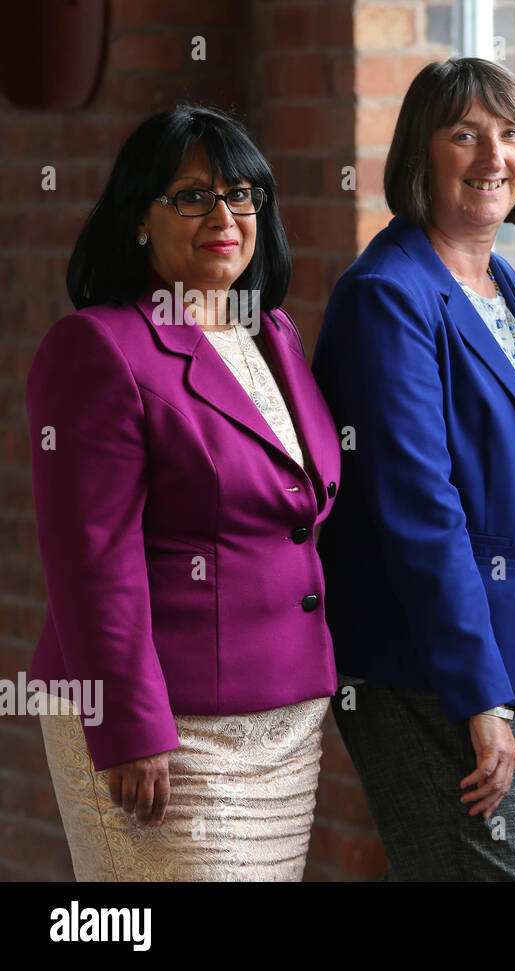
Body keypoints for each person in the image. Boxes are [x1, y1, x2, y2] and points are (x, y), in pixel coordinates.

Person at [26, 105, 342, 881]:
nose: (224, 216)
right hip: (164, 723)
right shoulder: (100, 346)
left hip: (285, 717)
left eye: (243, 195)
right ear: (140, 217)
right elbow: (91, 556)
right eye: (192, 196)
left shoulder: (272, 335)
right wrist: (130, 725)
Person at [312, 58, 515, 881]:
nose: (491, 155)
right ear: (418, 156)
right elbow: (420, 511)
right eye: (463, 133)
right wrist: (480, 696)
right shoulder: (388, 294)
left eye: (510, 133)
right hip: (429, 671)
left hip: (507, 661)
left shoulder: (494, 280)